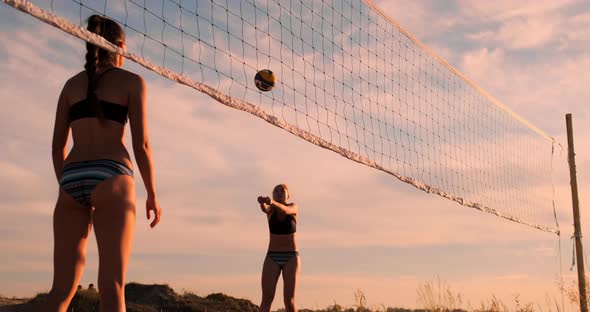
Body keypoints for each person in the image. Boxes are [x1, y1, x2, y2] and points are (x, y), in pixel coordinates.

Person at [44, 14, 162, 312]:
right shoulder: (132, 82)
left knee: (61, 289)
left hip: (71, 175)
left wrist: (67, 185)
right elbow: (142, 145)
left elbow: (57, 146)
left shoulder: (70, 85)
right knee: (112, 287)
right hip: (111, 174)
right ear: (120, 47)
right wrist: (152, 194)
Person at [257, 184, 299, 312]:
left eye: (282, 190)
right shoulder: (271, 210)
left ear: (288, 195)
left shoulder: (293, 207)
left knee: (289, 301)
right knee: (266, 299)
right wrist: (262, 203)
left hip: (291, 257)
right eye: (276, 191)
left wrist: (272, 202)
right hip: (272, 257)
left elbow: (285, 211)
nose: (279, 192)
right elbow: (265, 209)